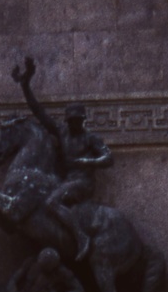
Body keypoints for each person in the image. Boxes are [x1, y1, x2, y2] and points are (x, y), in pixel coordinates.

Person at [12, 56, 112, 261]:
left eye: (77, 121)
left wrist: (88, 162)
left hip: (83, 183)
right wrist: (25, 85)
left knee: (51, 203)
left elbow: (109, 158)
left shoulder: (90, 137)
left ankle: (81, 236)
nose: (74, 124)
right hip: (65, 181)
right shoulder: (62, 131)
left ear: (83, 121)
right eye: (71, 121)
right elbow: (39, 113)